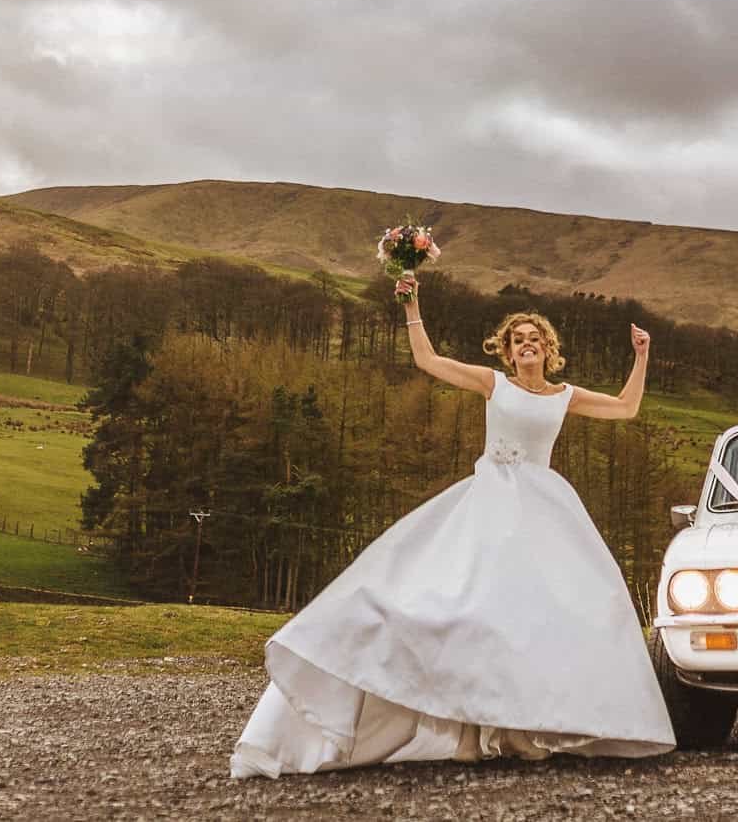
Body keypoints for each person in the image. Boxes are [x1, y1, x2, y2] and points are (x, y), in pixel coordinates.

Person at [228, 274, 675, 777]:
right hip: (489, 505)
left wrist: (641, 356)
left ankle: (517, 731)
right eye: (517, 340)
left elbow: (626, 408)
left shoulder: (564, 395)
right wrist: (412, 306)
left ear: (548, 349)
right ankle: (467, 735)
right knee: (470, 611)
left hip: (545, 510)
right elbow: (429, 361)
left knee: (533, 618)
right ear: (507, 352)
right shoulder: (494, 383)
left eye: (534, 339)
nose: (526, 345)